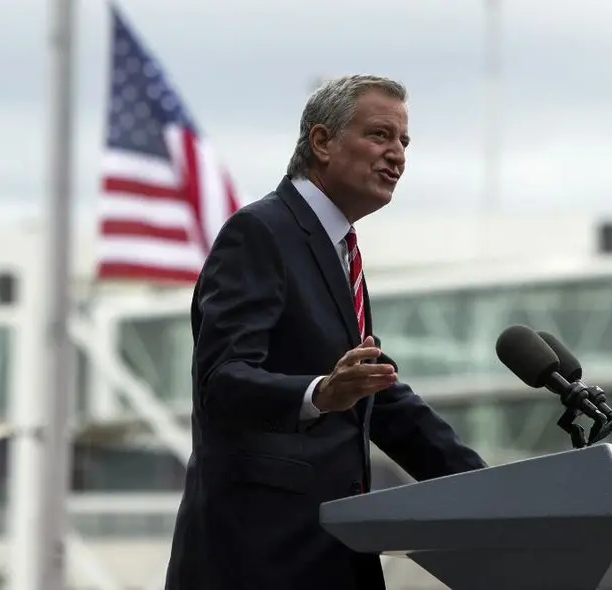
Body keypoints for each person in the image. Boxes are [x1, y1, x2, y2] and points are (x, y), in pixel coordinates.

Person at [164, 74, 487, 590]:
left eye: (403, 141)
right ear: (322, 142)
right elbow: (222, 381)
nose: (397, 155)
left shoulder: (338, 250)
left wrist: (490, 487)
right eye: (380, 135)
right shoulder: (261, 233)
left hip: (334, 555)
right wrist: (320, 393)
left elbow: (377, 394)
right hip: (259, 559)